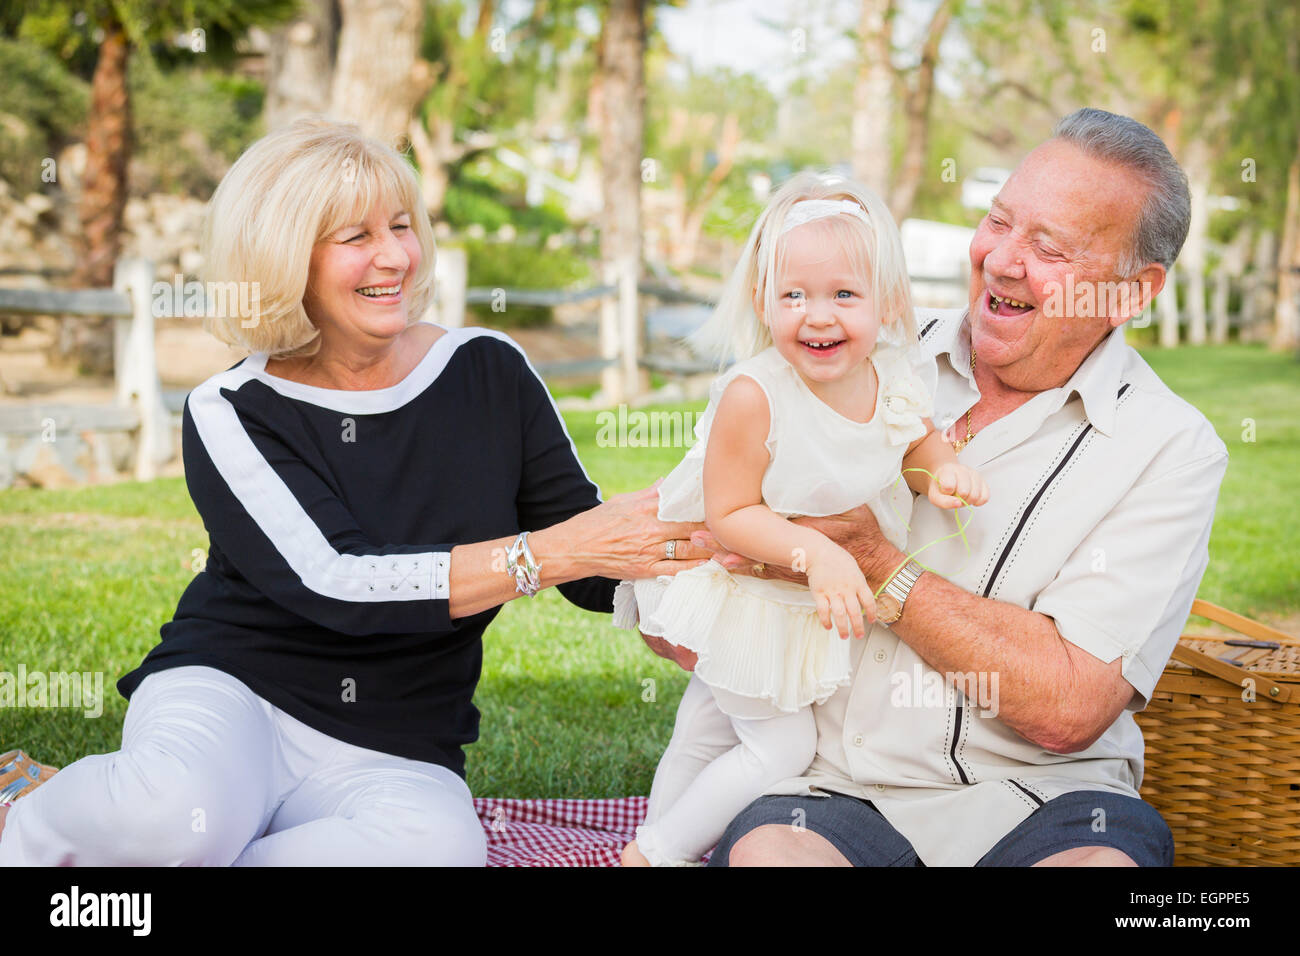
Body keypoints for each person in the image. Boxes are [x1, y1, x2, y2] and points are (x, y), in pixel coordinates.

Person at [0, 118, 720, 866]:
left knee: (439, 854)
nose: (396, 256)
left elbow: (589, 557)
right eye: (356, 237)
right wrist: (545, 555)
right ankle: (24, 815)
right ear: (284, 258)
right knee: (170, 815)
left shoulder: (488, 371)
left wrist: (708, 552)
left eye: (402, 226)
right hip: (236, 693)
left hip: (397, 740)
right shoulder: (232, 408)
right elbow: (339, 582)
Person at [650, 108, 1228, 867]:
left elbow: (1068, 705)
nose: (1003, 259)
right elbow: (691, 538)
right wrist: (721, 593)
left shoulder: (1171, 448)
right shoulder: (851, 346)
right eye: (999, 220)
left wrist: (877, 565)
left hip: (1049, 800)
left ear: (1130, 292)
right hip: (826, 788)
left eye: (1048, 246)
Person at [616, 172, 989, 867]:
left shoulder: (895, 377)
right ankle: (655, 852)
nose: (818, 316)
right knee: (780, 746)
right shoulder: (756, 395)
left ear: (889, 304)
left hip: (788, 602)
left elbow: (914, 440)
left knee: (705, 728)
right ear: (764, 301)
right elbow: (729, 514)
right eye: (795, 296)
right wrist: (817, 556)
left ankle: (654, 839)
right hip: (740, 591)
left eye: (844, 294)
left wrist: (944, 473)